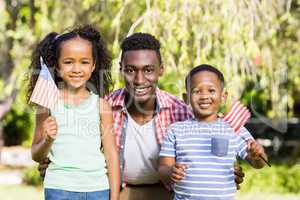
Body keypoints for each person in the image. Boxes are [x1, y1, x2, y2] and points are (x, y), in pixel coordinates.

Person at [37, 32, 245, 200]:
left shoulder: (181, 112)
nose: (139, 79)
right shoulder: (104, 107)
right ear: (120, 70)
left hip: (166, 192)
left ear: (160, 70)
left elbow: (214, 138)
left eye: (148, 70)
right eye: (130, 70)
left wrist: (227, 170)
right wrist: (50, 161)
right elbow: (73, 145)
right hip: (120, 191)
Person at [28, 25, 120, 200]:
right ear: (57, 65)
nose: (77, 69)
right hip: (59, 188)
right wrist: (48, 140)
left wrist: (114, 197)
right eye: (68, 62)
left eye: (84, 62)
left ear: (93, 65)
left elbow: (111, 156)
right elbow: (35, 154)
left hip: (97, 189)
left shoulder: (101, 106)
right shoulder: (47, 103)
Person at [159, 64, 268, 200]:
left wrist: (258, 155)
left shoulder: (233, 128)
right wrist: (170, 172)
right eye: (197, 91)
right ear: (186, 98)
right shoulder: (175, 130)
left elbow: (258, 163)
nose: (204, 96)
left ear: (223, 97)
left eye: (211, 90)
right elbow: (163, 167)